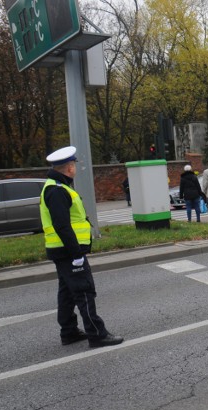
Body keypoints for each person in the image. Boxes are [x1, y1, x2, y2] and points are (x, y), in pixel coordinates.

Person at [40, 146, 123, 348]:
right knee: (84, 291)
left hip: (62, 251)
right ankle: (97, 334)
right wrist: (76, 253)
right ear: (69, 168)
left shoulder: (56, 186)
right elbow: (62, 224)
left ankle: (68, 332)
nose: (75, 168)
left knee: (67, 292)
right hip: (69, 252)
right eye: (74, 164)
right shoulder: (57, 190)